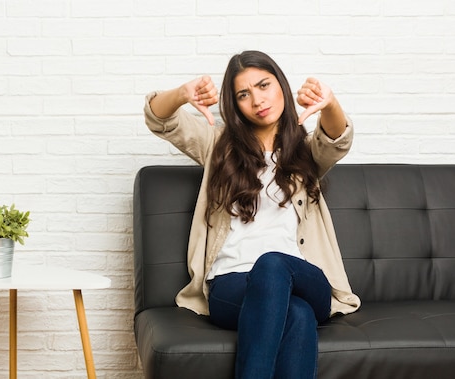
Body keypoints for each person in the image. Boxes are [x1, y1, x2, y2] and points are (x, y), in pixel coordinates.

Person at [143, 50, 361, 379]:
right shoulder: (217, 145)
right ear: (234, 104)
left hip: (302, 279)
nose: (257, 99)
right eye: (243, 94)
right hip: (230, 285)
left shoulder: (305, 151)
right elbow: (159, 118)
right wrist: (184, 94)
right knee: (297, 315)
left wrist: (329, 104)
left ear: (281, 87)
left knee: (273, 263)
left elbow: (336, 139)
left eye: (264, 85)